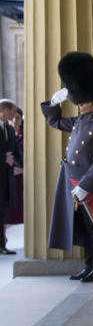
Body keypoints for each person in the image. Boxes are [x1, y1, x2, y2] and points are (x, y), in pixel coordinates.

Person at [41, 53, 93, 282]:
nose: (81, 105)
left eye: (83, 101)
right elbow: (55, 121)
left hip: (88, 184)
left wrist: (86, 185)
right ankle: (89, 266)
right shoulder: (79, 121)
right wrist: (54, 102)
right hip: (71, 182)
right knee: (84, 230)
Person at [0, 99, 22, 254]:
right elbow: (6, 155)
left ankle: (2, 246)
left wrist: (27, 165)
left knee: (2, 212)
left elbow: (15, 152)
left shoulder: (8, 127)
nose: (16, 114)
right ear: (5, 110)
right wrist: (3, 158)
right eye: (13, 110)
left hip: (5, 179)